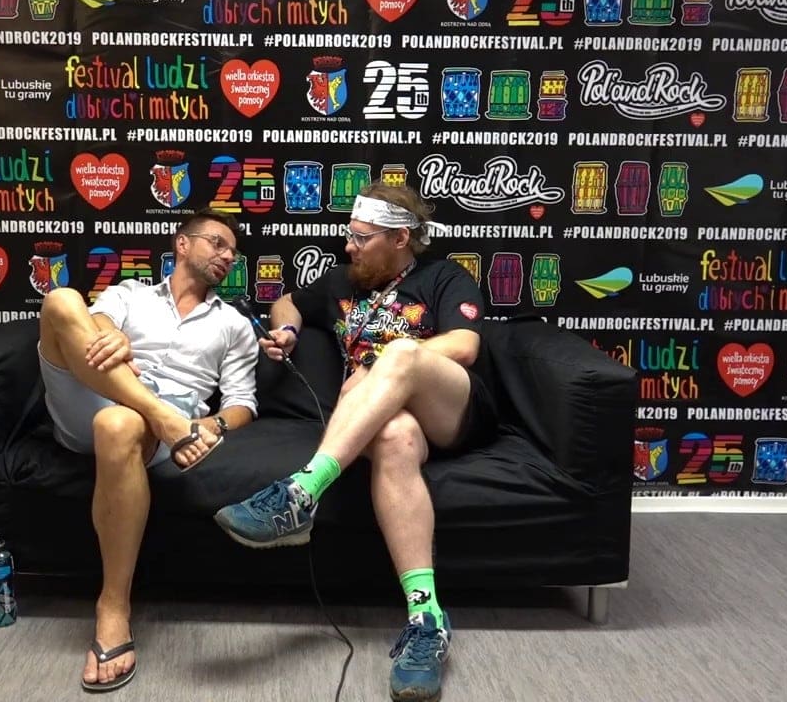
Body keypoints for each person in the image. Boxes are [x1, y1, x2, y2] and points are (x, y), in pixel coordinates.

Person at [213, 182, 497, 702]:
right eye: (351, 235)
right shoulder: (342, 281)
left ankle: (302, 492)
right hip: (388, 421)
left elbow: (463, 345)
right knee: (394, 436)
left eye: (362, 238)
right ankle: (427, 618)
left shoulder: (443, 277)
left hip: (450, 409)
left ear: (401, 238)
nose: (349, 246)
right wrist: (289, 332)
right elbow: (287, 302)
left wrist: (376, 363)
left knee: (401, 355)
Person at [38, 208, 258, 692]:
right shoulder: (129, 294)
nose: (227, 256)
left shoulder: (235, 324)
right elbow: (92, 325)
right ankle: (160, 416)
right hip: (97, 392)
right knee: (60, 300)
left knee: (118, 424)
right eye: (217, 243)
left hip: (159, 419)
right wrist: (111, 333)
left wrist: (208, 425)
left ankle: (113, 608)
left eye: (233, 252)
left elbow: (242, 403)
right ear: (183, 243)